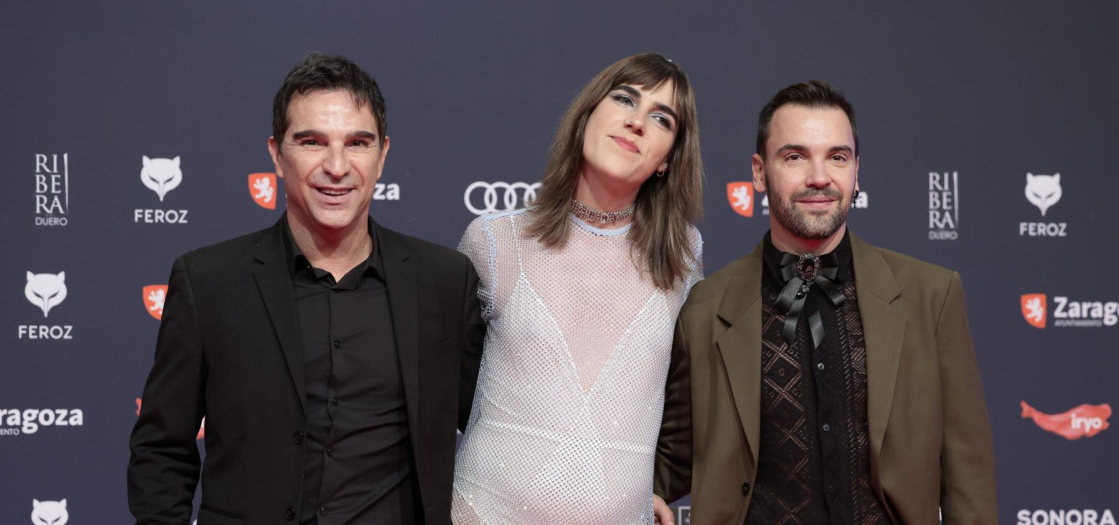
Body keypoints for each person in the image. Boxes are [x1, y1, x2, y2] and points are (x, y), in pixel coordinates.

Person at [128, 52, 486, 524]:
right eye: (312, 142)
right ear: (277, 155)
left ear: (382, 156)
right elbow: (162, 451)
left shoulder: (444, 280)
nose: (336, 166)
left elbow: (493, 429)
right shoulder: (209, 282)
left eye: (357, 143)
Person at [654, 81, 997, 524]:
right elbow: (672, 458)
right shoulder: (706, 309)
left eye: (837, 156)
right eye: (794, 156)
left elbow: (967, 468)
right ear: (758, 172)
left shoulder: (931, 295)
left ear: (857, 170)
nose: (819, 177)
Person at [452, 53, 704, 524]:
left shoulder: (682, 257)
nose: (635, 122)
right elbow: (452, 387)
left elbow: (684, 396)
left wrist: (654, 485)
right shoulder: (495, 240)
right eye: (624, 99)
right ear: (587, 114)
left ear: (668, 159)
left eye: (661, 118)